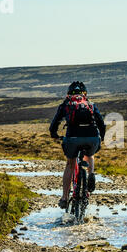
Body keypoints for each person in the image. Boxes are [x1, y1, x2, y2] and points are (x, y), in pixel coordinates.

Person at [49, 81, 106, 209]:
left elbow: (54, 124)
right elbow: (101, 123)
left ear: (68, 93)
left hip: (72, 139)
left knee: (70, 163)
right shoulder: (90, 104)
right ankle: (91, 174)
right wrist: (101, 138)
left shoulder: (66, 104)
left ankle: (64, 198)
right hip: (92, 138)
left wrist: (54, 134)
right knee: (90, 155)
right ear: (85, 93)